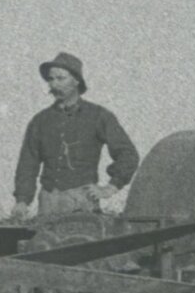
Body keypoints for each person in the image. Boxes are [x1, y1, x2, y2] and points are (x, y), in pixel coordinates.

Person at [10, 52, 138, 220]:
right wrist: (22, 201)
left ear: (76, 81)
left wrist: (111, 187)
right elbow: (28, 163)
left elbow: (128, 154)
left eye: (60, 79)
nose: (54, 85)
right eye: (51, 79)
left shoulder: (99, 116)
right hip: (48, 201)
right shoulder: (40, 121)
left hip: (82, 202)